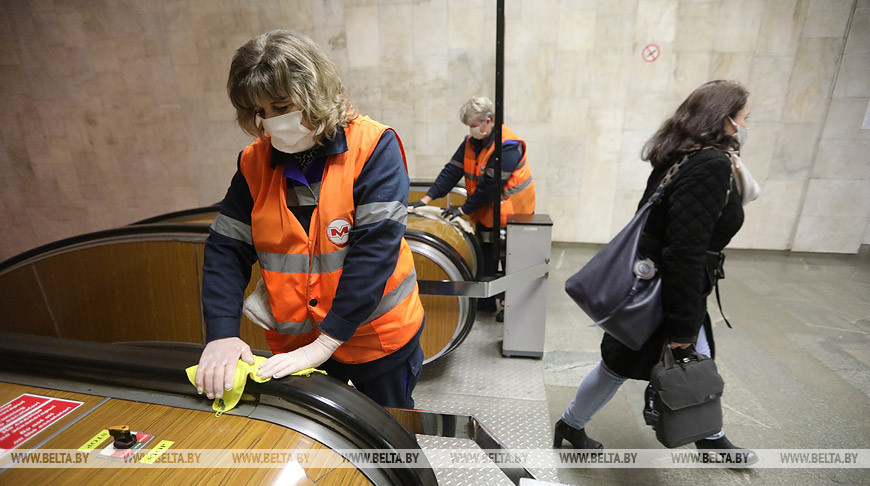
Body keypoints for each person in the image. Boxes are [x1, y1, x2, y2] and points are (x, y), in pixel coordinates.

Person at [194, 30, 425, 409]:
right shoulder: (254, 162)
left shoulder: (373, 146)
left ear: (313, 92)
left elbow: (375, 252)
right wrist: (221, 333)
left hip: (377, 337)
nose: (271, 121)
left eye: (282, 106)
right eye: (260, 112)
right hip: (297, 346)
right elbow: (226, 248)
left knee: (390, 435)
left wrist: (329, 340)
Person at [555, 80, 759, 465]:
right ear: (725, 117)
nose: (747, 121)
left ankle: (710, 435)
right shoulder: (710, 164)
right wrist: (681, 327)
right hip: (671, 290)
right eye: (745, 115)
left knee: (688, 359)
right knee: (629, 365)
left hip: (660, 284)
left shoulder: (683, 154)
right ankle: (571, 423)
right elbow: (684, 249)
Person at [410, 97, 535, 317]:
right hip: (487, 213)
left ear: (488, 121)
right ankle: (485, 303)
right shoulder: (471, 141)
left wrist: (463, 210)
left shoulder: (508, 146)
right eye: (469, 126)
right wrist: (425, 200)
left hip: (514, 215)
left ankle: (512, 309)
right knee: (486, 257)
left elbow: (491, 186)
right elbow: (451, 171)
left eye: (475, 125)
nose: (471, 130)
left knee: (512, 262)